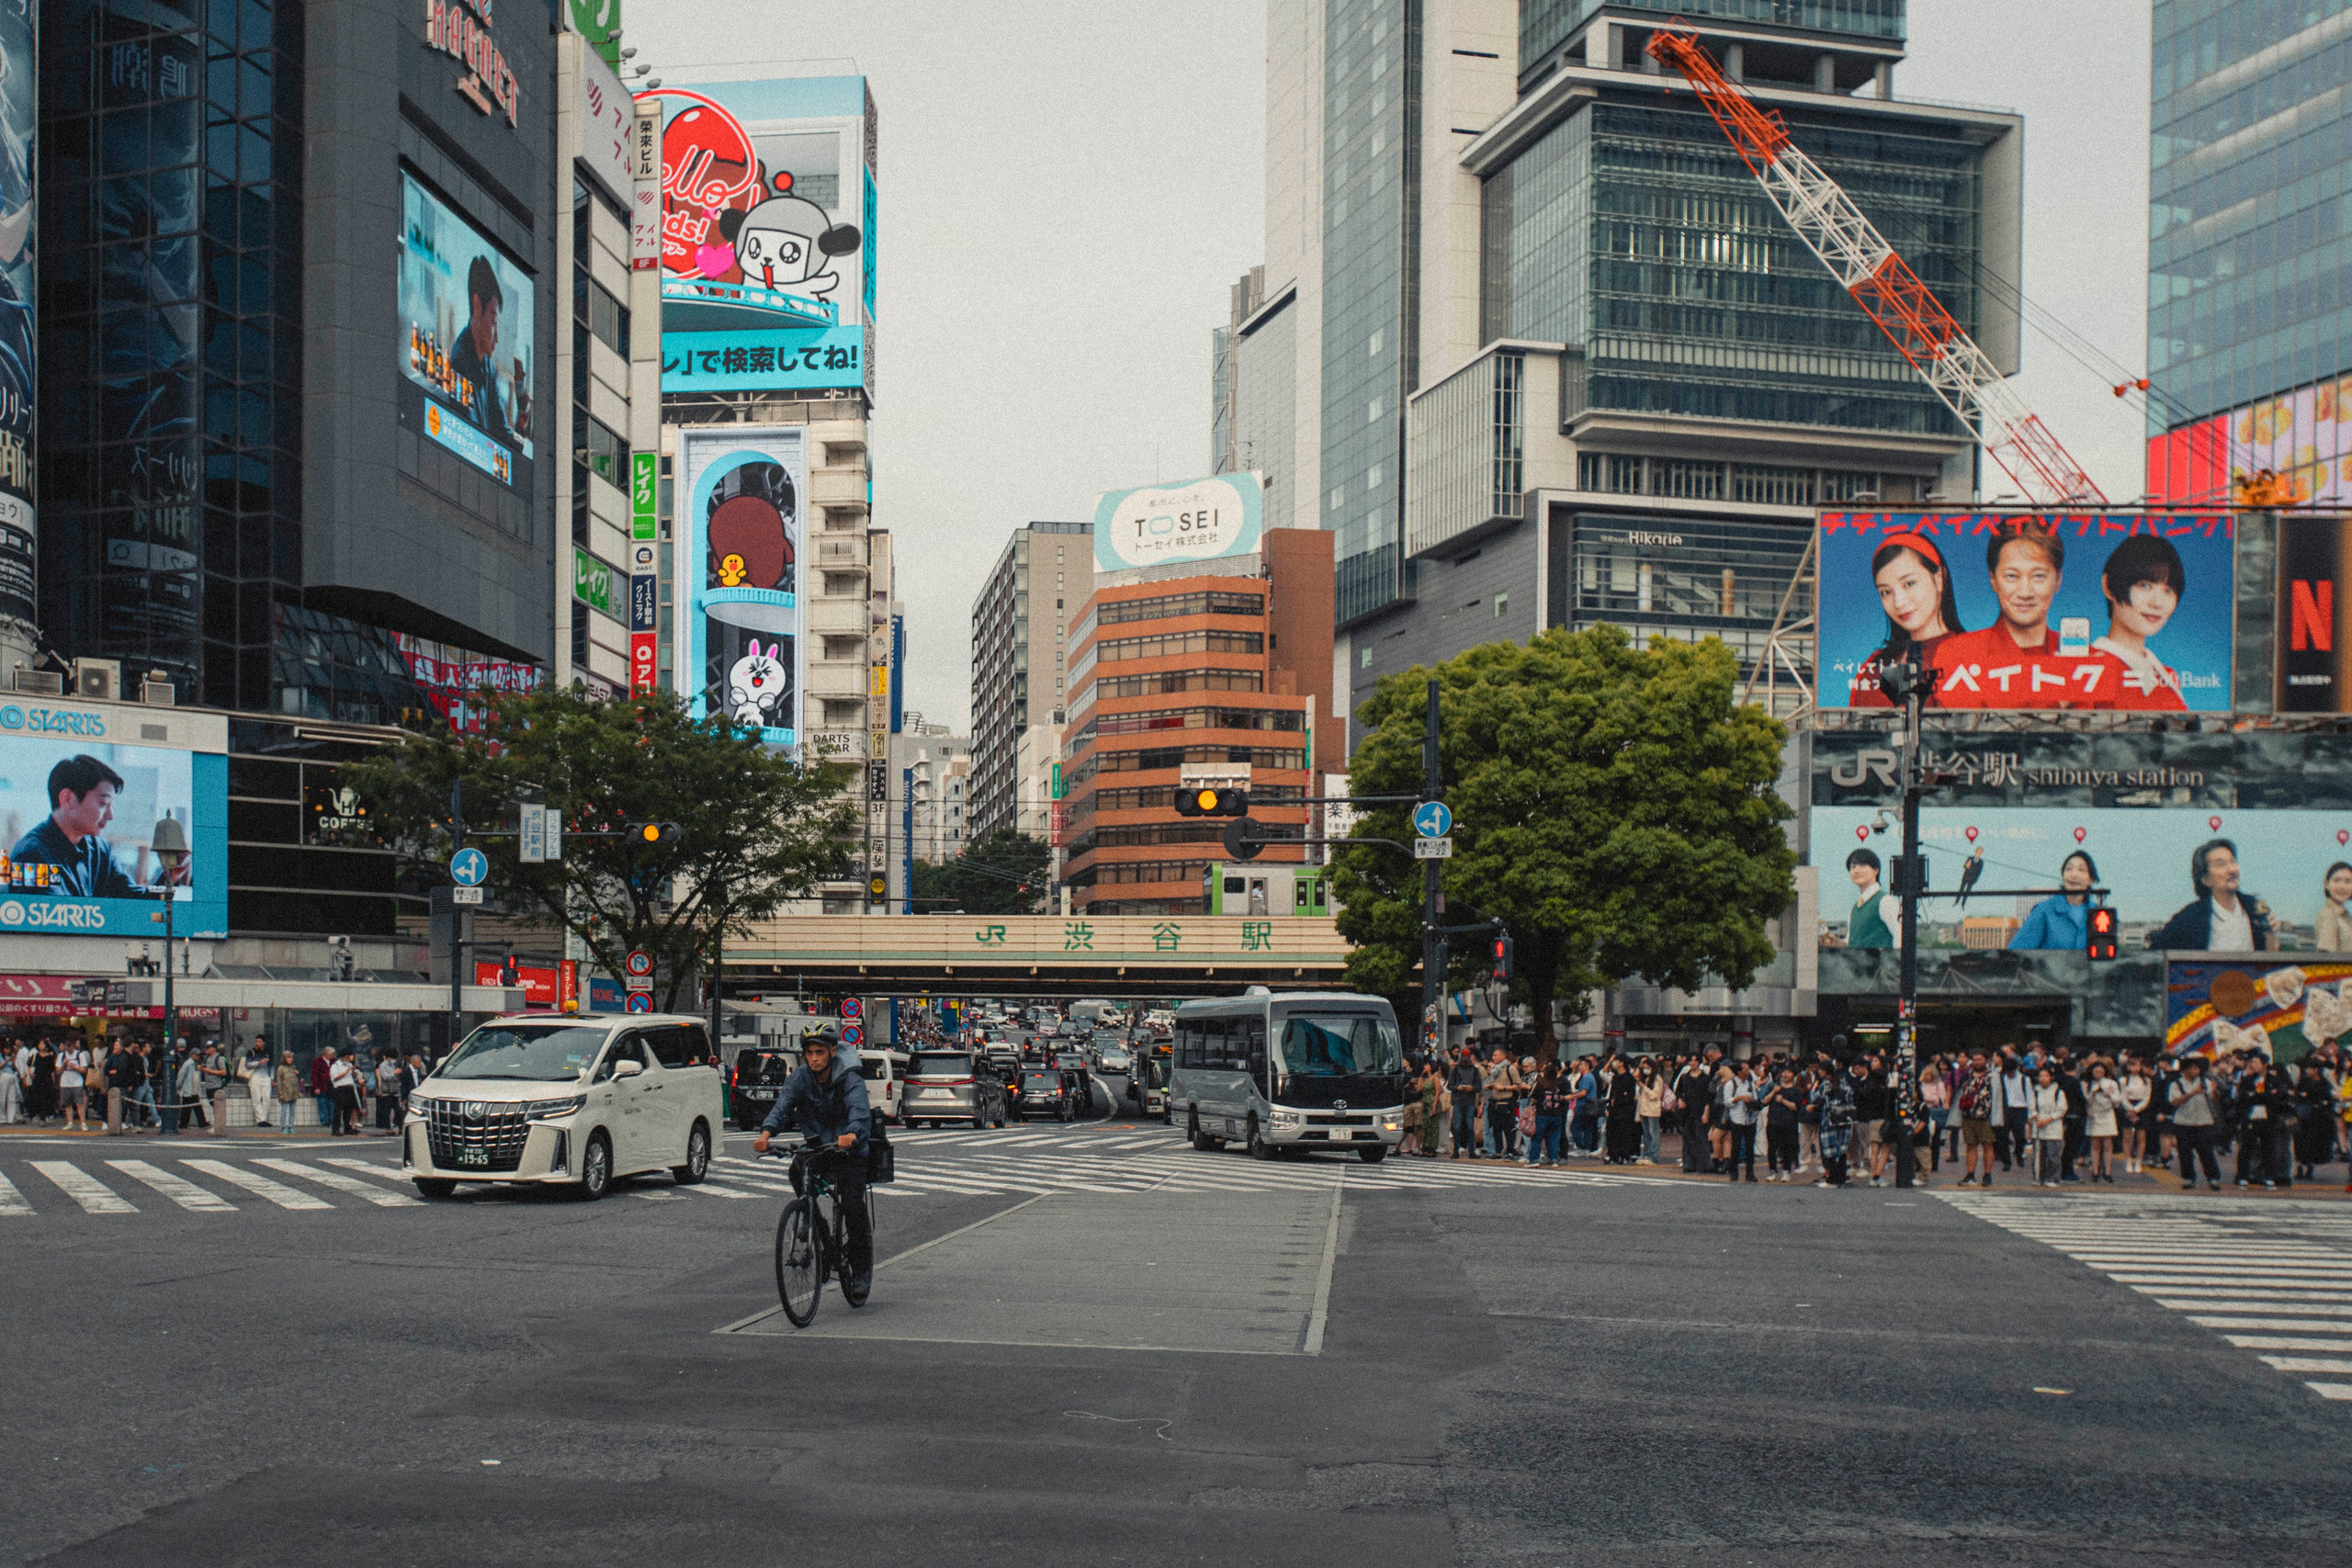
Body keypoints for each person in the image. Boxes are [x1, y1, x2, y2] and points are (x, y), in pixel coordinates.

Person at [752, 1027, 874, 1301]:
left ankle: (861, 1269)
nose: (814, 1058)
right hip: (819, 1145)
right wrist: (765, 1134)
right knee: (797, 1171)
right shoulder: (800, 1077)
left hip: (850, 1148)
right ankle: (817, 1226)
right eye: (809, 1053)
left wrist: (852, 1133)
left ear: (832, 1052)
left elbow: (859, 1109)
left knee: (852, 1205)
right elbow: (783, 1106)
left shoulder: (849, 1077)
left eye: (820, 1052)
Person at [7, 755, 187, 897]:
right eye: (103, 804)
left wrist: (169, 877)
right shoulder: (30, 856)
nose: (111, 816)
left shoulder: (99, 850)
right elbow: (46, 925)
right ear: (68, 799)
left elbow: (136, 904)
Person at [1847, 531, 1964, 706]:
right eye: (1886, 592)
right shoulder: (1875, 669)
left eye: (1909, 583)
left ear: (1939, 579)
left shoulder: (1975, 655)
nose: (1898, 602)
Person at [2091, 533, 2190, 711]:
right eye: (2145, 586)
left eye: (2168, 590)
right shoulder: (2087, 669)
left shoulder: (2168, 677)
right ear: (2108, 586)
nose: (2157, 603)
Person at [2147, 839, 2274, 952]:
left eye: (2233, 861)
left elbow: (2272, 958)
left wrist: (2270, 932)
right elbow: (2155, 952)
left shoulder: (2255, 906)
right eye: (2221, 864)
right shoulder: (2191, 917)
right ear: (2206, 879)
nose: (2232, 870)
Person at [2010, 852, 2101, 951]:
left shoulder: (2098, 914)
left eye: (2081, 870)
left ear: (2091, 880)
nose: (2074, 875)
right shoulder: (2044, 910)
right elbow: (2016, 951)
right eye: (2068, 869)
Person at [2170, 1055, 2223, 1190]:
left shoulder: (2206, 1082)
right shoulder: (2177, 1084)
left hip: (2204, 1122)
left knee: (2206, 1151)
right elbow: (2175, 1102)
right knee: (2185, 1153)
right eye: (2193, 1068)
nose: (2196, 1071)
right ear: (2186, 1069)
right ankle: (2188, 1178)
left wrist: (2215, 1091)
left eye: (2198, 1068)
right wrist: (2192, 1093)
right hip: (2183, 1123)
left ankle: (2213, 1178)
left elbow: (2215, 1101)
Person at [1832, 848, 1897, 949]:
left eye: (1862, 866)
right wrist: (1834, 943)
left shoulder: (1886, 901)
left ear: (1876, 870)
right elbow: (1851, 942)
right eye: (1853, 867)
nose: (1856, 871)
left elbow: (1901, 936)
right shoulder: (1854, 908)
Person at [1815, 1064, 1856, 1188]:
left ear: (1825, 1071)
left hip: (1829, 1121)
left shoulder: (1825, 1084)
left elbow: (1818, 1099)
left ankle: (1832, 1180)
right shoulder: (1844, 1082)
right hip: (1844, 1120)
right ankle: (1841, 1179)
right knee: (1842, 1151)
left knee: (1830, 1151)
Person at [1760, 1066, 1804, 1182]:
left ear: (1793, 1075)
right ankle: (1772, 1171)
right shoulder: (1774, 1087)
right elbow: (1764, 1101)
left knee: (1787, 1148)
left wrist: (1783, 1100)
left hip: (1789, 1123)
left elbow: (1796, 1107)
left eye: (1788, 1072)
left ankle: (1786, 1171)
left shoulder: (1796, 1091)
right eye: (1784, 1072)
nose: (1785, 1075)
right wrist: (1774, 1092)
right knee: (1772, 1148)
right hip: (1773, 1122)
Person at [2084, 1061, 2124, 1183]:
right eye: (2096, 1071)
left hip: (2107, 1114)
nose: (2098, 1074)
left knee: (2108, 1144)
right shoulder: (2087, 1083)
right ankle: (2095, 1171)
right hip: (2094, 1114)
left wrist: (2109, 1095)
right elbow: (2085, 1100)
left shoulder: (2111, 1083)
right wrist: (2093, 1092)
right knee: (2095, 1144)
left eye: (2101, 1072)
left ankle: (2108, 1171)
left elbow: (2118, 1100)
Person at [2030, 1066, 2067, 1186]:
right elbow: (2032, 1108)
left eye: (2046, 1076)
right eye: (2041, 1076)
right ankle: (2039, 1178)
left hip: (2054, 1127)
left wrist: (2047, 1120)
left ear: (2051, 1077)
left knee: (2053, 1156)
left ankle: (2053, 1178)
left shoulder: (2058, 1092)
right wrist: (2037, 1118)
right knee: (2039, 1155)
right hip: (2039, 1127)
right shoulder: (2035, 1092)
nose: (2043, 1078)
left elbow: (2061, 1110)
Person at [1721, 1060, 1758, 1182]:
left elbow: (1755, 1098)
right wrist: (1739, 1098)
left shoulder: (1750, 1084)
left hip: (1750, 1118)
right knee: (1736, 1145)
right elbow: (1727, 1101)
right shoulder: (1731, 1084)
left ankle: (1750, 1173)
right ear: (1739, 1072)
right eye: (1746, 1069)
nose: (1748, 1072)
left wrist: (1752, 1103)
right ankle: (1734, 1171)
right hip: (1736, 1117)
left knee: (1750, 1146)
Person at [1527, 1064, 1567, 1167]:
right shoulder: (1559, 1084)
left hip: (1542, 1113)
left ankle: (1534, 1160)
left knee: (1537, 1137)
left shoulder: (1541, 1083)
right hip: (1556, 1114)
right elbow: (1564, 1097)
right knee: (1554, 1138)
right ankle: (1554, 1159)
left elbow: (1533, 1097)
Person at [1446, 1049, 1482, 1160]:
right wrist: (1457, 1088)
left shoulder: (1475, 1070)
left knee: (1469, 1126)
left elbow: (1479, 1087)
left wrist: (1472, 1088)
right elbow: (1449, 1085)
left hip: (1469, 1101)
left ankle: (1471, 1150)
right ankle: (1456, 1150)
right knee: (1457, 1126)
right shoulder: (1455, 1070)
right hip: (1458, 1100)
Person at [2120, 1055, 2154, 1174]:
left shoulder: (2147, 1081)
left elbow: (2146, 1098)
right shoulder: (2123, 1080)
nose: (2134, 1068)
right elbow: (2123, 1097)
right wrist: (2130, 1110)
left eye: (2136, 1066)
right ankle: (2128, 1161)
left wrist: (2136, 1109)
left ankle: (2139, 1161)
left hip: (2141, 1108)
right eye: (2131, 1066)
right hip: (2128, 1107)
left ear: (2140, 1067)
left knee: (2141, 1137)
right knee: (2127, 1137)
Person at [2317, 863, 2352, 953]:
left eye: (2348, 881)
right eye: (2337, 880)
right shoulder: (2329, 915)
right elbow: (2327, 956)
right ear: (2326, 884)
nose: (2342, 886)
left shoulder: (2346, 917)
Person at [1634, 1060, 1664, 1165]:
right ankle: (1646, 1154)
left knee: (1653, 1133)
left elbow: (1654, 1095)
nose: (1645, 1070)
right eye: (1644, 1068)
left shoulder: (1657, 1079)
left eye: (1647, 1068)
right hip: (1643, 1109)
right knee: (1646, 1135)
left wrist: (1644, 1087)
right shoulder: (1645, 1078)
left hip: (1652, 1110)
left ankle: (1653, 1156)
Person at [243, 1036, 274, 1133]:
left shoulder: (268, 1052)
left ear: (263, 1042)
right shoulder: (251, 1052)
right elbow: (247, 1065)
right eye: (256, 1041)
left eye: (259, 1041)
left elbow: (271, 1065)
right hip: (255, 1076)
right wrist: (259, 1062)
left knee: (266, 1098)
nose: (257, 1043)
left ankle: (264, 1119)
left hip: (266, 1077)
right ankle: (260, 1120)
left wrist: (272, 1078)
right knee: (256, 1099)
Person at [328, 1050, 361, 1136]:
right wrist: (346, 1072)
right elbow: (335, 1078)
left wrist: (353, 1072)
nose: (348, 1059)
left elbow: (353, 1077)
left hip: (349, 1087)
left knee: (349, 1109)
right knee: (338, 1110)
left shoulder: (349, 1064)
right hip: (340, 1088)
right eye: (346, 1057)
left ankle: (347, 1128)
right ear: (342, 1057)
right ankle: (336, 1129)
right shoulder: (335, 1066)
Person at [373, 1051, 404, 1135]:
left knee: (398, 1110)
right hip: (386, 1091)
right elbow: (385, 1077)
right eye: (392, 1058)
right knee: (387, 1110)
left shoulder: (392, 1065)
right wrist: (394, 1073)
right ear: (387, 1057)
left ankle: (400, 1127)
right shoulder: (382, 1065)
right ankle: (388, 1128)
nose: (393, 1060)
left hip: (394, 1090)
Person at [273, 1050, 302, 1134]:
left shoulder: (293, 1067)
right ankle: (283, 1127)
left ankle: (291, 1126)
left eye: (291, 1057)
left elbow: (298, 1079)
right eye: (288, 1058)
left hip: (293, 1092)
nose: (290, 1059)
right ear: (284, 1058)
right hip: (285, 1092)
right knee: (284, 1111)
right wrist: (280, 1093)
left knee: (292, 1111)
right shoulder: (281, 1068)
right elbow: (279, 1082)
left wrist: (298, 1074)